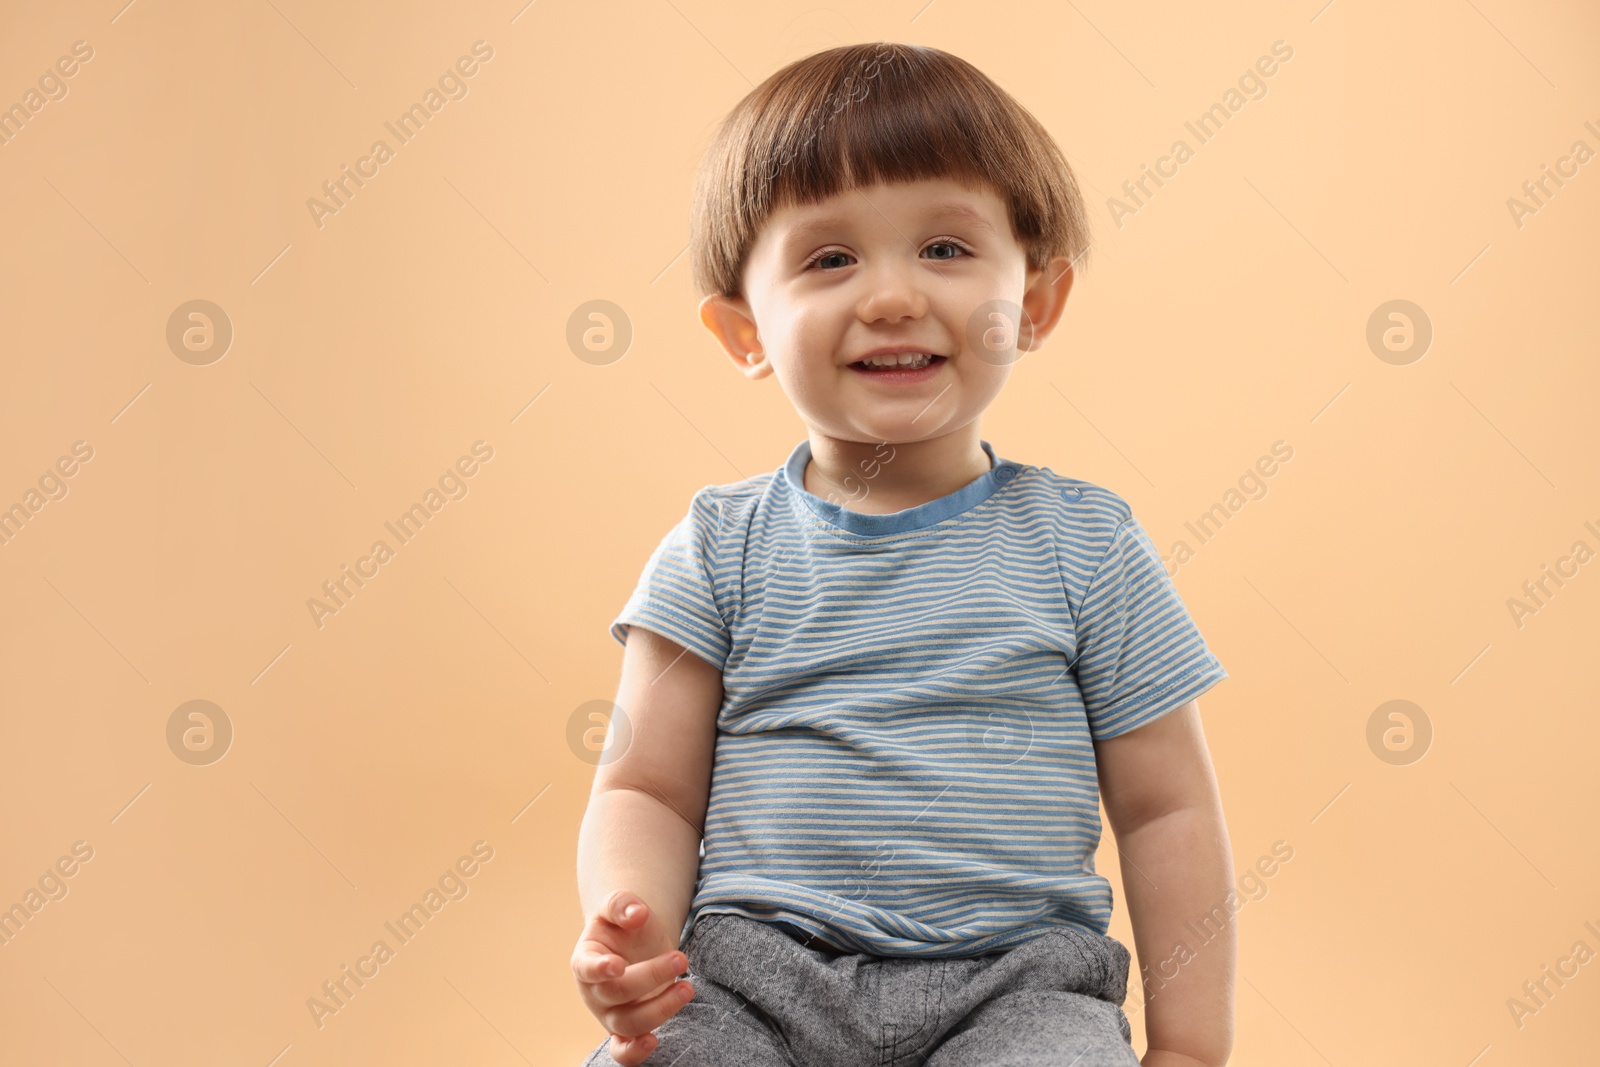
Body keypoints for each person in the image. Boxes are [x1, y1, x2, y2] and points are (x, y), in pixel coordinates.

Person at [572, 41, 1234, 1067]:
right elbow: (646, 785)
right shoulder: (719, 544)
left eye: (945, 248)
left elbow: (1166, 806)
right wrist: (633, 933)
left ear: (1039, 301)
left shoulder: (1086, 546)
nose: (889, 296)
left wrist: (1190, 1045)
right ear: (743, 330)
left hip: (1015, 984)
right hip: (748, 976)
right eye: (830, 259)